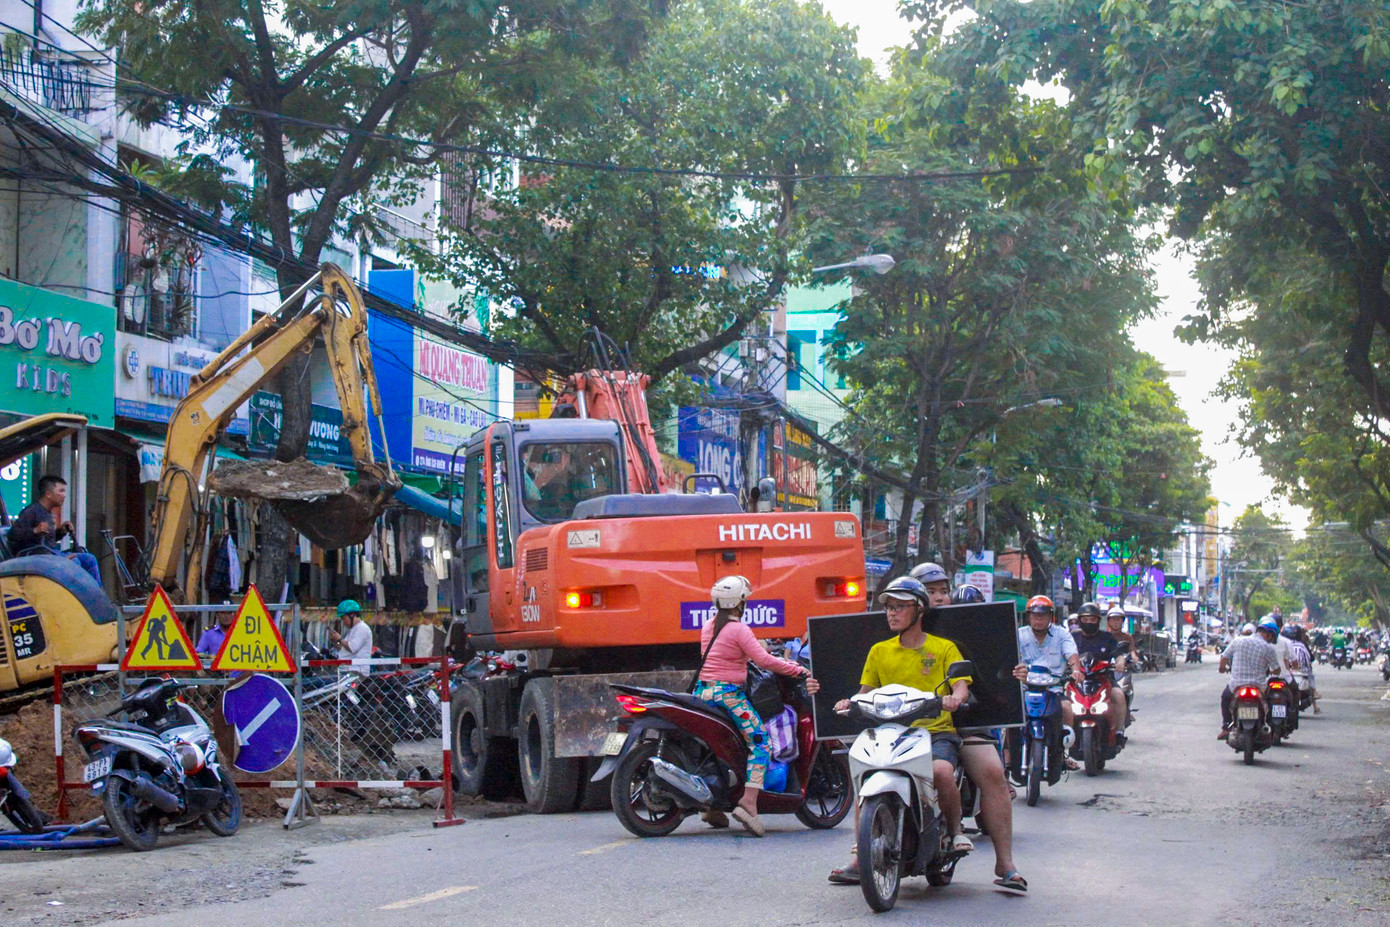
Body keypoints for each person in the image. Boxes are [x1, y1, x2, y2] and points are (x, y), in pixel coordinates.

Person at [828, 575, 974, 884]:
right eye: (888, 607)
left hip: (934, 731)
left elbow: (961, 688)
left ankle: (957, 830)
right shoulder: (879, 651)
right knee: (864, 771)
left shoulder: (944, 648)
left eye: (900, 607)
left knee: (943, 772)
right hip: (890, 732)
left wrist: (954, 699)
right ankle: (860, 853)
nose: (892, 613)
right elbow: (865, 691)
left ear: (919, 610)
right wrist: (850, 703)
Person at [692, 574, 817, 837]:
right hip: (728, 696)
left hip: (702, 692)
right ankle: (748, 803)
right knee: (761, 742)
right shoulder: (739, 629)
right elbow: (764, 661)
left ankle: (712, 805)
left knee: (721, 747)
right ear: (740, 602)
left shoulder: (708, 626)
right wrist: (795, 670)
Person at [1013, 595, 1082, 773]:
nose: (1038, 619)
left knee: (1067, 708)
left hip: (1053, 688)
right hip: (1024, 688)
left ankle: (1063, 753)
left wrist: (1076, 670)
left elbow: (1072, 655)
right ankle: (1006, 757)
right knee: (1010, 714)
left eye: (1043, 615)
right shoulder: (1018, 634)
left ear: (1051, 616)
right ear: (1029, 616)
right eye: (1035, 615)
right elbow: (1009, 658)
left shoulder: (1062, 634)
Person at [7, 475, 101, 585]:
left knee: (89, 559)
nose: (64, 495)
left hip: (50, 553)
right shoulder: (31, 511)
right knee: (74, 562)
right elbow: (12, 535)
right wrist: (34, 530)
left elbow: (48, 540)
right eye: (61, 491)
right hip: (36, 555)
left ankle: (97, 594)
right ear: (48, 494)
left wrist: (60, 532)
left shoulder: (48, 513)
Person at [1071, 602, 1130, 744]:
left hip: (1103, 678)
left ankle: (1119, 732)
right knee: (1062, 702)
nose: (1089, 622)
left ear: (1098, 620)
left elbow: (1118, 653)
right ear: (1080, 621)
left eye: (1093, 619)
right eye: (1085, 619)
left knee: (1119, 695)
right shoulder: (1072, 637)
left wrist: (1120, 662)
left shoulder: (1107, 637)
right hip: (1077, 679)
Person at [1217, 618, 1282, 739]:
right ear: (1268, 635)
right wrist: (1272, 671)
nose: (1270, 641)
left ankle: (1226, 727)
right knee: (1269, 701)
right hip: (1258, 686)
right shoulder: (1268, 648)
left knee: (1225, 698)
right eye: (1271, 638)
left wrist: (1222, 668)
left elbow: (1224, 658)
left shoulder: (1238, 641)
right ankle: (1269, 726)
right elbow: (1277, 669)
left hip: (1236, 684)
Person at [329, 599, 374, 669]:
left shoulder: (362, 628)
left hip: (357, 671)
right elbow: (343, 649)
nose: (343, 622)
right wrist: (336, 641)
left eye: (344, 618)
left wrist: (339, 639)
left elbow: (352, 647)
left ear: (352, 615)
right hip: (348, 669)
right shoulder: (353, 629)